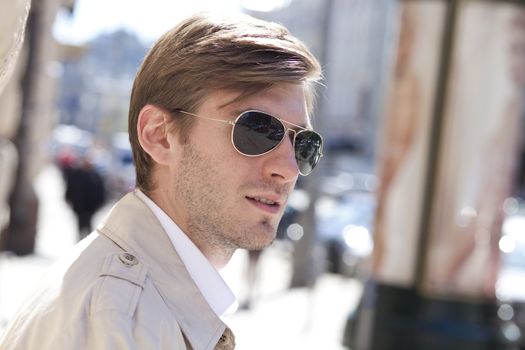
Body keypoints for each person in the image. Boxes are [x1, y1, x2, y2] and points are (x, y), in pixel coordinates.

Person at [0, 11, 322, 349]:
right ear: (159, 135)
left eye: (303, 144)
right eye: (258, 130)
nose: (287, 168)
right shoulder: (119, 319)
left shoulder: (132, 304)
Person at [64, 153, 106, 239]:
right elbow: (70, 188)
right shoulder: (76, 175)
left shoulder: (95, 176)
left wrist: (99, 205)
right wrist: (68, 199)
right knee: (80, 226)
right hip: (79, 207)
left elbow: (101, 192)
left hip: (91, 208)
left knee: (89, 227)